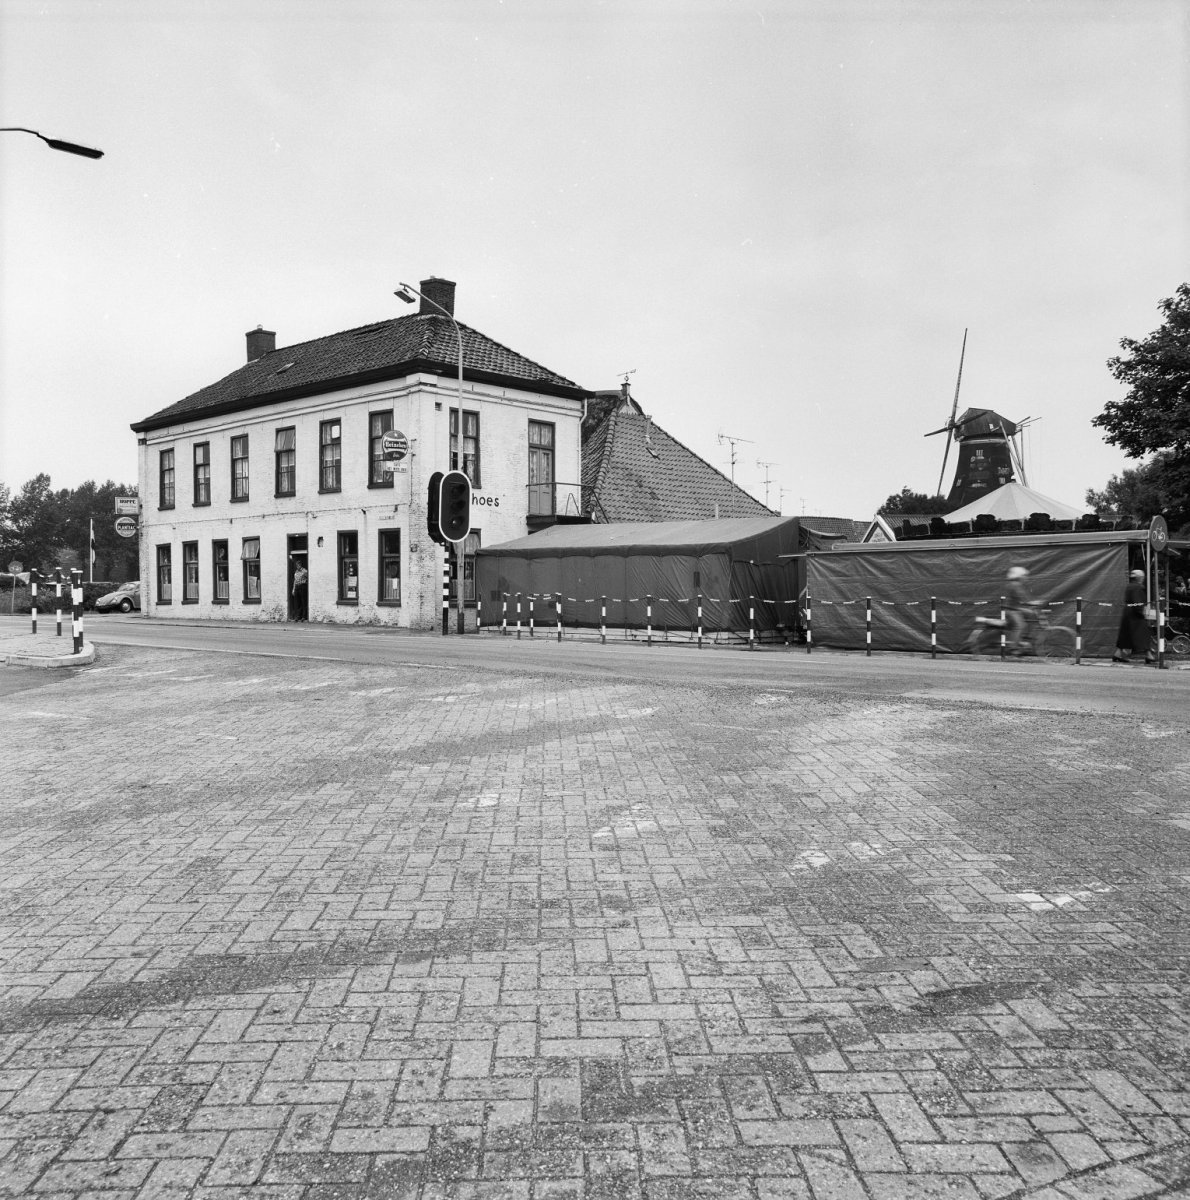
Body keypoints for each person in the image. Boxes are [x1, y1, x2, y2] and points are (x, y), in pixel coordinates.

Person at [1114, 568, 1152, 663]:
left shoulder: (1129, 586)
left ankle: (1117, 654)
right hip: (1135, 614)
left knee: (1125, 634)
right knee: (1143, 634)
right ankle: (1149, 655)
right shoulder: (1138, 587)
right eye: (1142, 577)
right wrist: (1142, 612)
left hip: (1127, 612)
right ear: (1140, 578)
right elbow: (1137, 602)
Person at [1004, 565, 1035, 655]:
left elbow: (1023, 597)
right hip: (1010, 610)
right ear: (1018, 576)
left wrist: (1031, 603)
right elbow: (1021, 597)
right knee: (1020, 626)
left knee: (1031, 613)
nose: (1026, 578)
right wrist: (1031, 603)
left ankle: (1022, 638)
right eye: (1024, 576)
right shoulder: (1014, 585)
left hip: (1016, 608)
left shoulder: (1017, 585)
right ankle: (1013, 648)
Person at [291, 556, 309, 621]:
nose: (297, 566)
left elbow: (308, 578)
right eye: (296, 565)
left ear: (300, 565)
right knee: (298, 602)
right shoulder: (296, 572)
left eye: (298, 565)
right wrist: (293, 589)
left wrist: (305, 583)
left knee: (303, 602)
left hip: (302, 586)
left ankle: (304, 616)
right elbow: (295, 581)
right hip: (297, 587)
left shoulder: (305, 571)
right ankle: (298, 616)